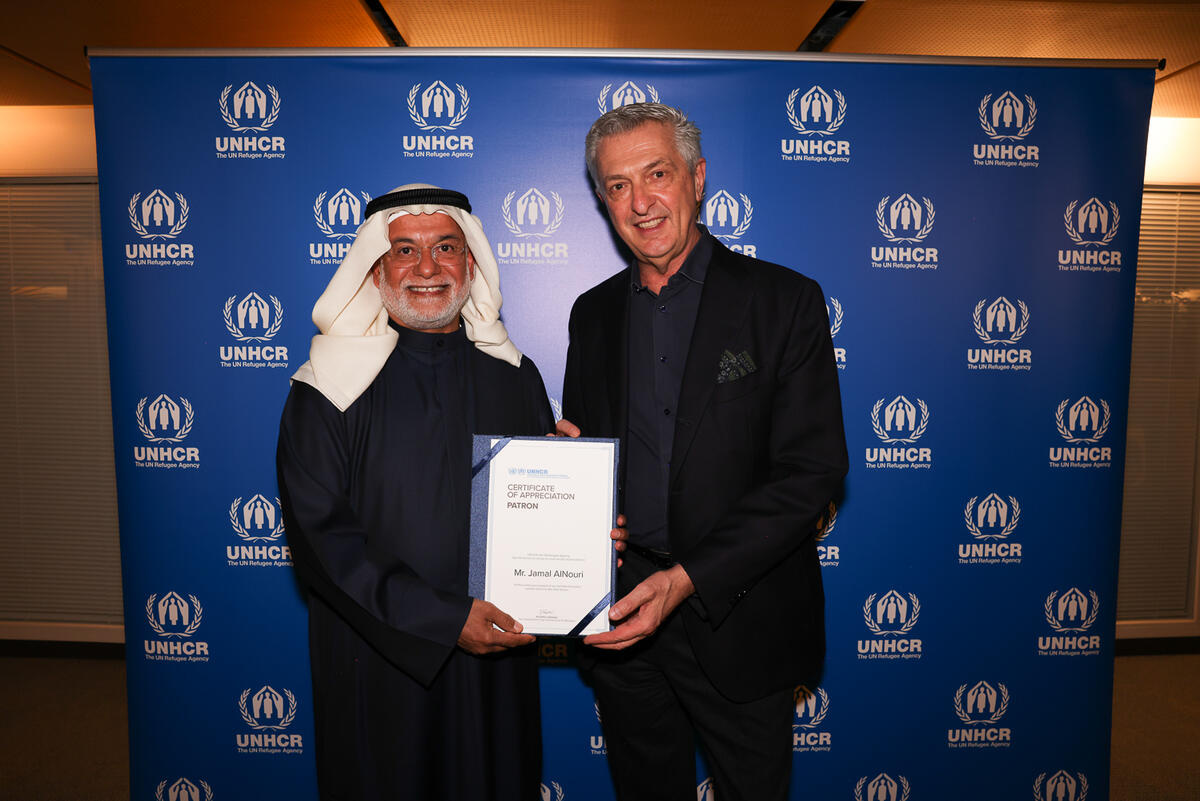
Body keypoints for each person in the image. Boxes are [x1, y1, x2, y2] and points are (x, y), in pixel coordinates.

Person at [560, 104, 849, 801]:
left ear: (697, 178)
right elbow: (591, 455)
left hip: (743, 619)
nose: (640, 201)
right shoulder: (591, 313)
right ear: (603, 201)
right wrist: (571, 489)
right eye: (618, 185)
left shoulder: (784, 301)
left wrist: (688, 577)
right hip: (624, 618)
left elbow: (811, 474)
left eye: (656, 174)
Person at [276, 184, 552, 801]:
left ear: (470, 263)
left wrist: (585, 529)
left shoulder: (516, 377)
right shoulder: (324, 389)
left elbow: (545, 514)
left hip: (497, 669)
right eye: (404, 250)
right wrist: (447, 620)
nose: (427, 269)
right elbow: (324, 546)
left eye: (445, 248)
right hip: (378, 660)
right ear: (375, 269)